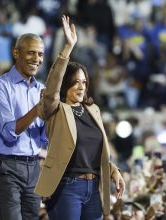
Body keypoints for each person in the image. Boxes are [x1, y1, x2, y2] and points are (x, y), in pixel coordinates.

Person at [35, 16, 125, 220]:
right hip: (66, 187)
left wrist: (114, 171)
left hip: (93, 188)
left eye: (84, 82)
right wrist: (68, 48)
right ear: (65, 84)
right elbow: (51, 89)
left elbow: (96, 152)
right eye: (75, 82)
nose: (81, 86)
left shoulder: (93, 110)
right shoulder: (56, 109)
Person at [0, 32, 48, 220]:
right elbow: (9, 132)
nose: (36, 59)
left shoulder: (41, 90)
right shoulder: (0, 87)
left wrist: (52, 116)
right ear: (16, 53)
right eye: (31, 53)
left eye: (40, 54)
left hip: (34, 166)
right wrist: (38, 109)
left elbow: (44, 136)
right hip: (6, 166)